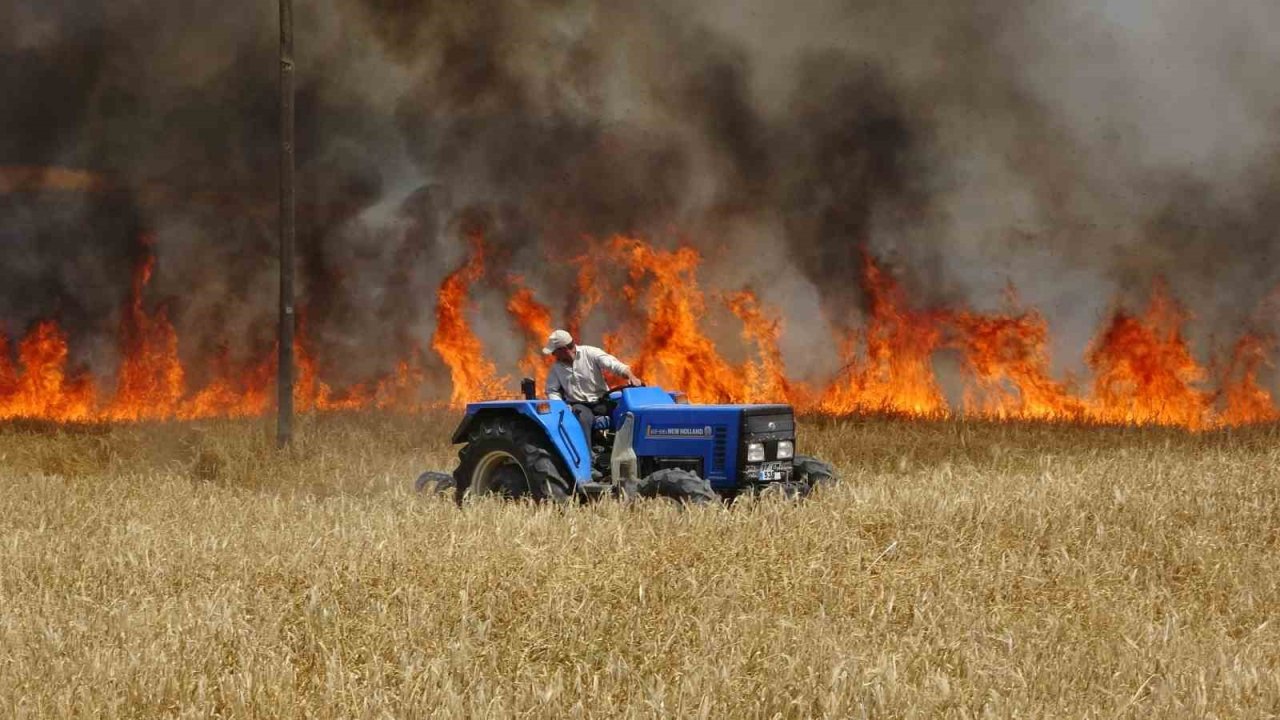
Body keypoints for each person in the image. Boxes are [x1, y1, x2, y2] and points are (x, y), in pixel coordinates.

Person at [542, 329, 642, 455]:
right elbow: (552, 390)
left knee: (627, 414)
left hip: (602, 401)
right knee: (582, 418)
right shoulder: (556, 368)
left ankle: (626, 453)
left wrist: (630, 376)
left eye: (554, 352)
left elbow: (614, 365)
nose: (553, 355)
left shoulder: (590, 353)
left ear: (563, 349)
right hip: (580, 405)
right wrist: (561, 405)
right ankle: (587, 460)